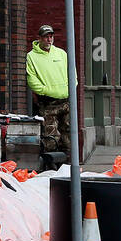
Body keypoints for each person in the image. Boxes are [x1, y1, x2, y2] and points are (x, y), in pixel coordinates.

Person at [26, 24, 71, 156]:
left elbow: (72, 74)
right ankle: (51, 168)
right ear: (39, 38)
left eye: (51, 36)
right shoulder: (32, 56)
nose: (49, 39)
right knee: (51, 138)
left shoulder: (61, 54)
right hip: (47, 103)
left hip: (65, 101)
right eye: (46, 37)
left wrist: (68, 89)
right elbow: (32, 80)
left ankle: (68, 169)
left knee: (68, 137)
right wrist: (46, 90)